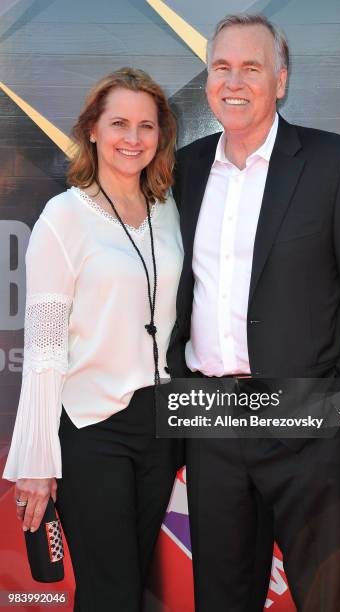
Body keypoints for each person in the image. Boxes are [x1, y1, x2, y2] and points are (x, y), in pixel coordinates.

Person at [167, 14, 340, 612]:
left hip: (306, 426)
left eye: (252, 67)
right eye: (222, 67)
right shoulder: (185, 170)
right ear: (208, 79)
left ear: (282, 80)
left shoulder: (337, 164)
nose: (234, 80)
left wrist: (335, 423)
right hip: (213, 424)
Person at [3, 67, 183, 611]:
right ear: (92, 131)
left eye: (146, 126)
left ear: (161, 136)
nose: (133, 138)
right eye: (119, 123)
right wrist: (37, 459)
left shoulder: (167, 209)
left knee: (133, 583)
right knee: (111, 592)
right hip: (91, 430)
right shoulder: (64, 218)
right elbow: (45, 346)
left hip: (161, 424)